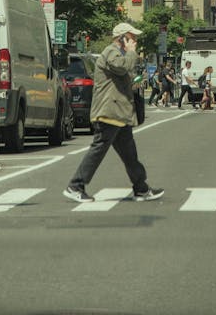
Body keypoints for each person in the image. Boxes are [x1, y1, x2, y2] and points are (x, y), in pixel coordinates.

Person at [63, 22, 164, 204]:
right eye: (132, 37)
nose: (135, 41)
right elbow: (121, 67)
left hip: (119, 113)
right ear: (122, 38)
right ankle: (76, 186)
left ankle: (141, 188)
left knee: (129, 153)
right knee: (99, 148)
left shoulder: (119, 54)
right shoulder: (111, 51)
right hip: (109, 111)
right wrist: (132, 52)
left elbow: (123, 75)